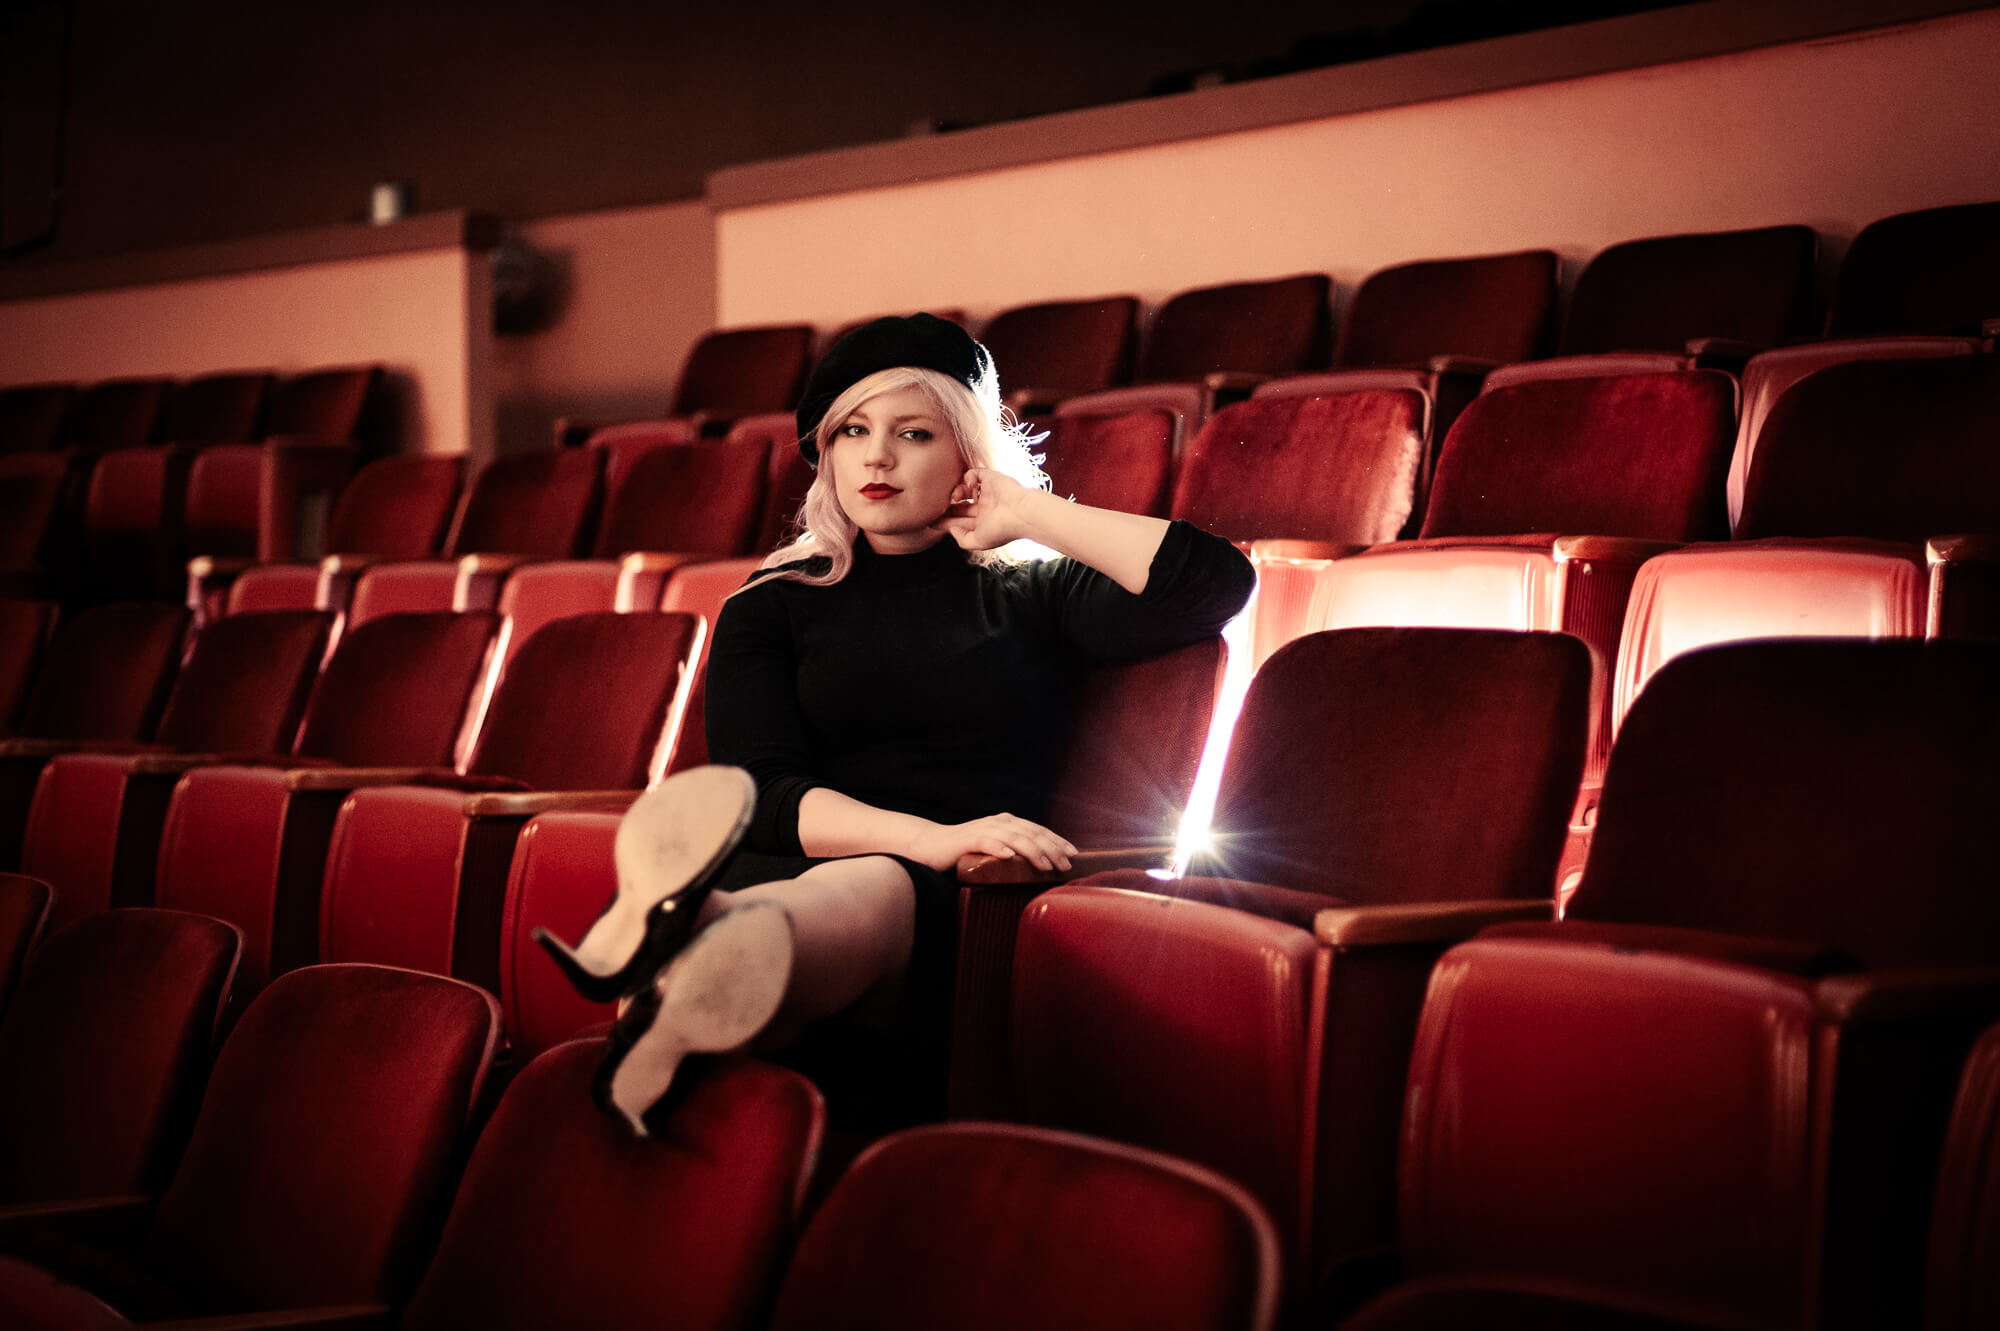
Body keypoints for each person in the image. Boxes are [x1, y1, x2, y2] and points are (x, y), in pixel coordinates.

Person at [538, 313, 1254, 1135]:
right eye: (852, 430)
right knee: (851, 878)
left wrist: (1029, 513)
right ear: (828, 454)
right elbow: (764, 794)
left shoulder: (1032, 595)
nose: (876, 455)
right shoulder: (771, 605)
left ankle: (687, 947)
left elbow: (1214, 584)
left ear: (968, 458)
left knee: (873, 884)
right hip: (807, 855)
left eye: (913, 432)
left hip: (953, 904)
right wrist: (927, 836)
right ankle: (695, 950)